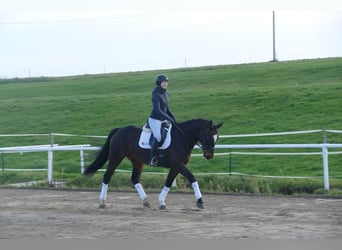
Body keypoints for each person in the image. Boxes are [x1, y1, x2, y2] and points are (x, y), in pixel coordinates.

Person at [148, 74, 176, 166]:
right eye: (164, 82)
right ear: (159, 83)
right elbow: (157, 110)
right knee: (159, 137)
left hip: (163, 119)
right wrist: (168, 118)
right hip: (155, 120)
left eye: (166, 82)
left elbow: (167, 109)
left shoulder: (166, 94)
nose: (166, 84)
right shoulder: (156, 94)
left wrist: (174, 119)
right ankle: (152, 158)